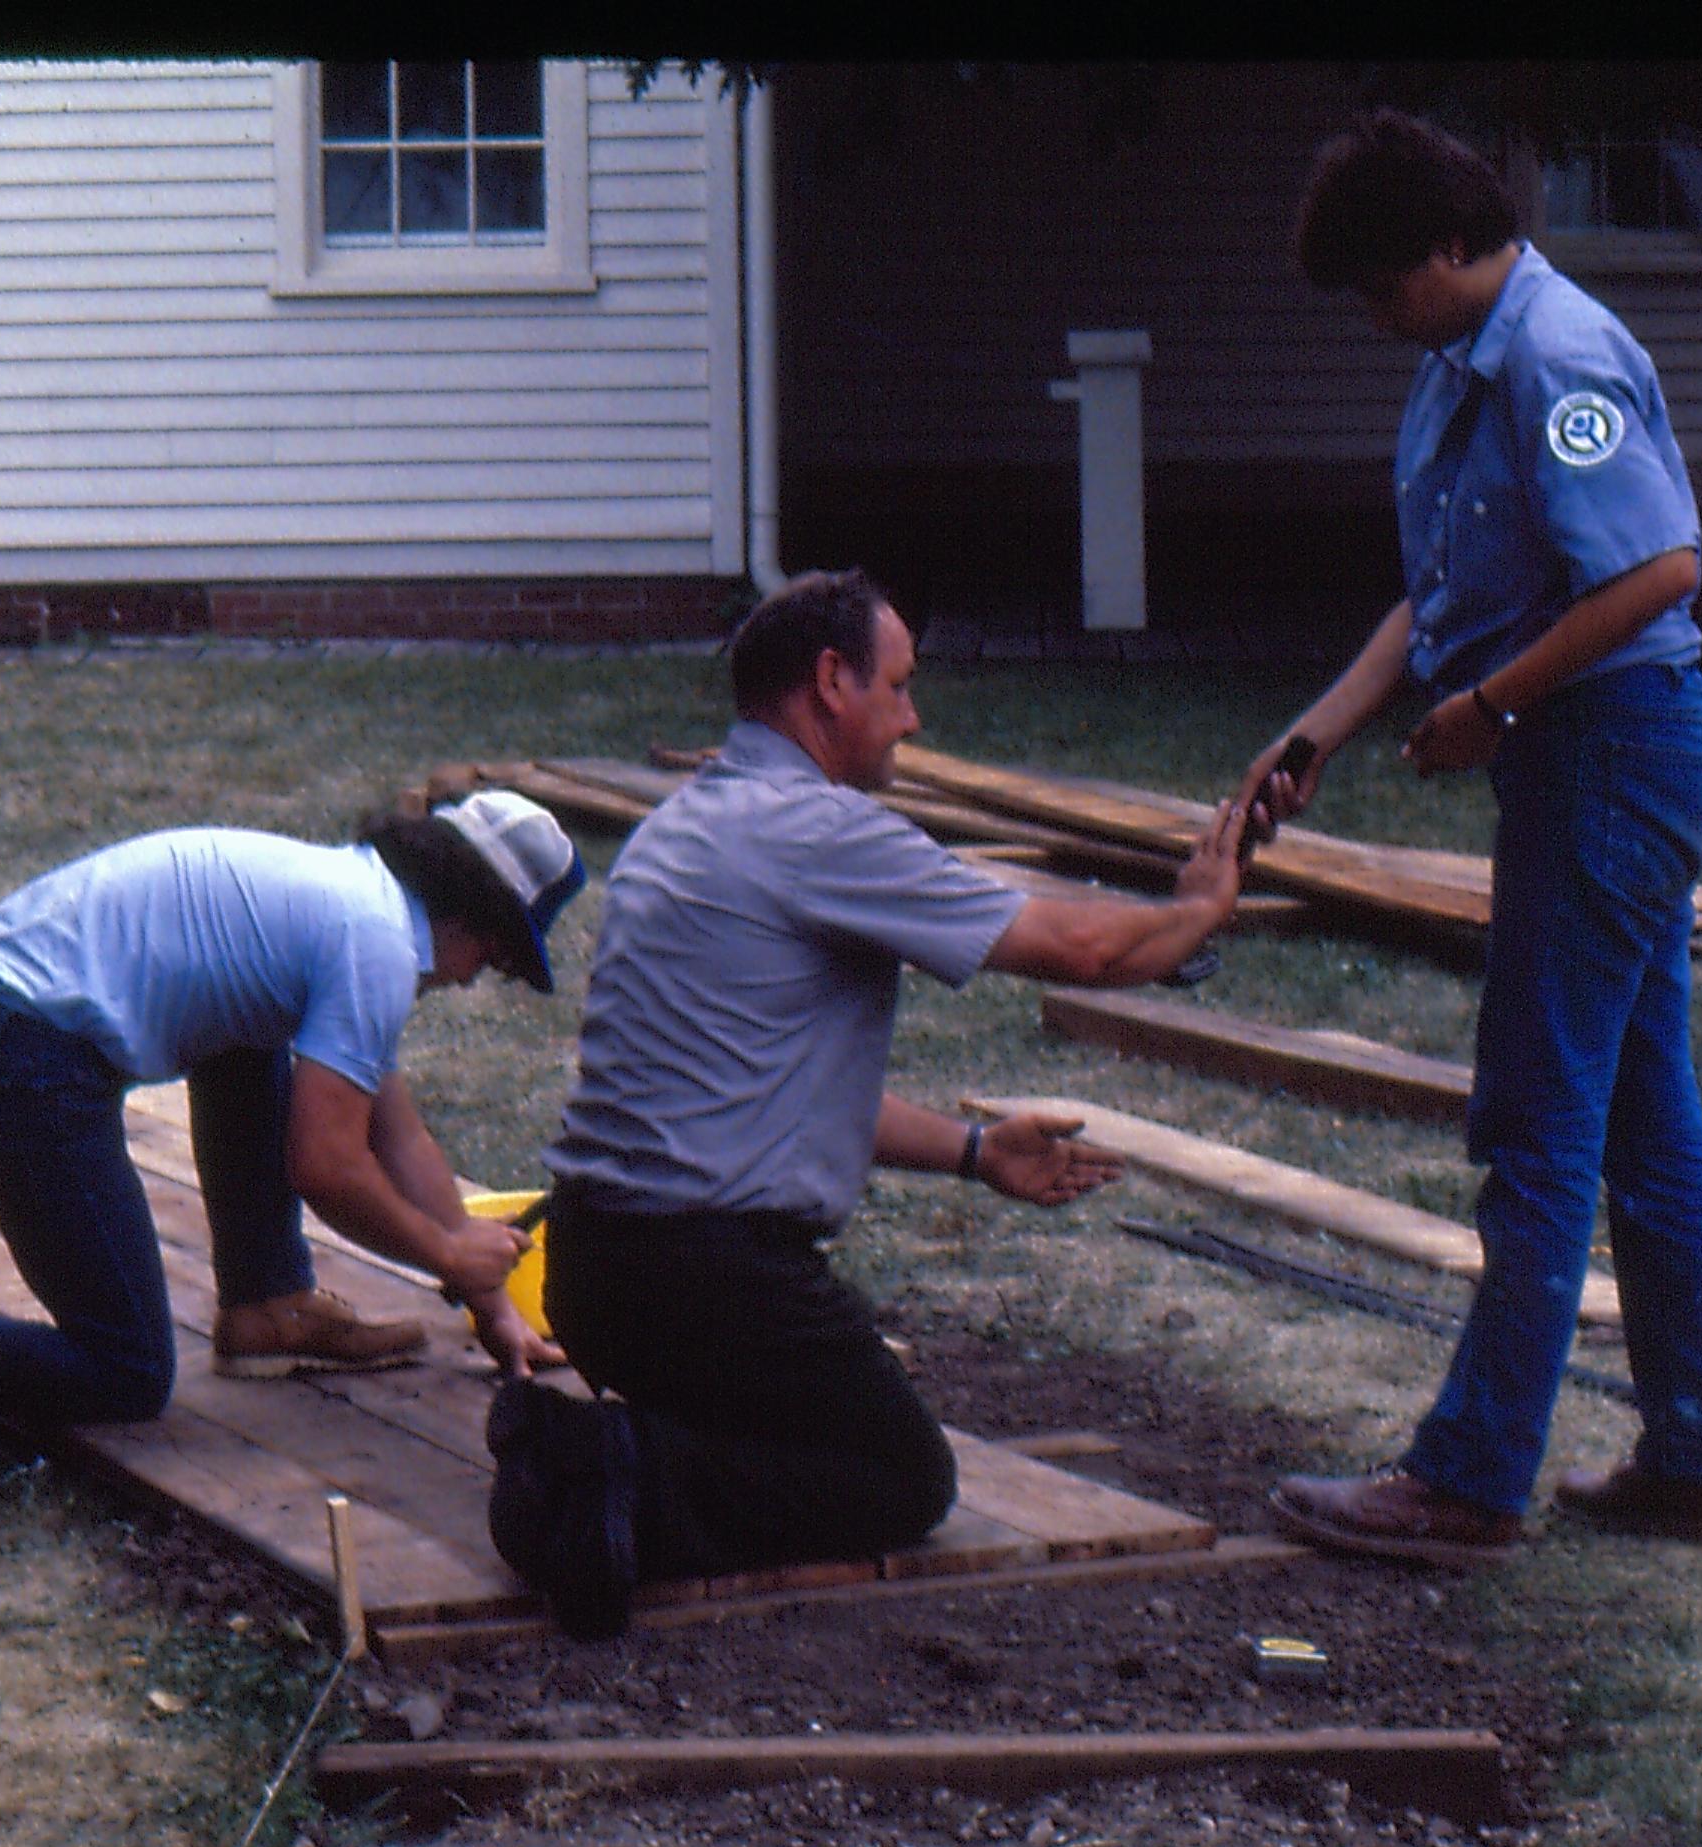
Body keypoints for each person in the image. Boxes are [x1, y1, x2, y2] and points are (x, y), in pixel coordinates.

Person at [483, 568, 1261, 1638]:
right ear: (831, 681)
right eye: (898, 685)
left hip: (598, 1274)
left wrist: (976, 1150)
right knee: (896, 1478)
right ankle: (603, 1469)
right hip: (707, 1274)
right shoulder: (816, 830)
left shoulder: (682, 826)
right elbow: (1076, 946)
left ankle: (632, 1445)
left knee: (798, 1434)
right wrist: (1201, 908)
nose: (913, 715)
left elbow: (774, 1091)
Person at [1251, 110, 1702, 1571]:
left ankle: (1471, 1477)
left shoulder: (1559, 357)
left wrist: (1486, 704)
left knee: (1536, 1119)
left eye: (1385, 285)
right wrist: (1319, 731)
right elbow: (1442, 589)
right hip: (1582, 753)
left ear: (1457, 246)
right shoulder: (1457, 365)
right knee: (1642, 1116)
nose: (1373, 315)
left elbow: (1660, 565)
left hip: (1613, 749)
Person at [0, 792, 586, 1442]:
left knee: (257, 1038)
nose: (469, 981)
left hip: (5, 1017)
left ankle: (267, 1305)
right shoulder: (377, 944)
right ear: (473, 919)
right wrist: (443, 1254)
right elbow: (328, 1164)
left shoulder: (357, 903)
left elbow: (400, 1133)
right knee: (125, 1370)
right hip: (14, 1054)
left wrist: (491, 1304)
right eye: (494, 963)